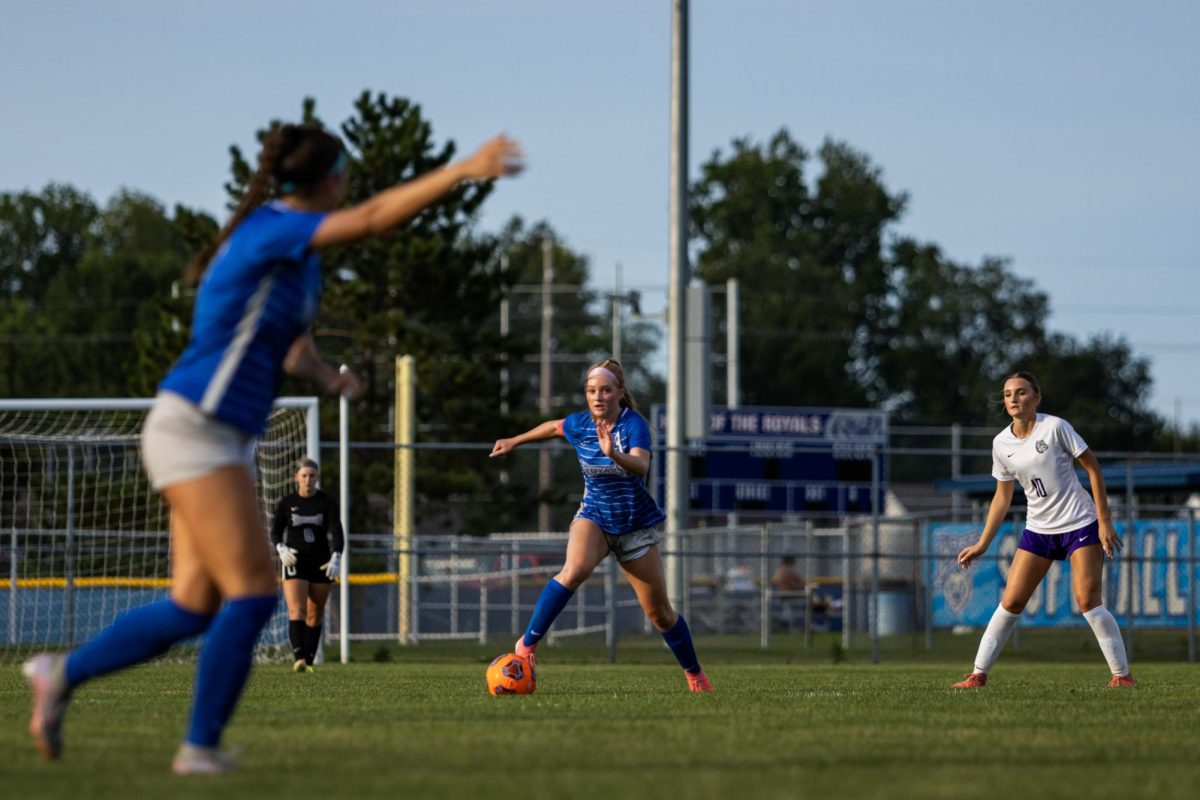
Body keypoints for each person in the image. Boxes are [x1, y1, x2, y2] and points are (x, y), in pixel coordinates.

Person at [22, 123, 523, 773]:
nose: (349, 185)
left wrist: (324, 375)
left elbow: (288, 343)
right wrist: (462, 169)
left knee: (192, 606)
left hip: (213, 434)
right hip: (197, 426)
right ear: (327, 180)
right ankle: (199, 747)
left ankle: (61, 675)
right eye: (344, 172)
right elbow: (372, 220)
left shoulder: (294, 256)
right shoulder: (272, 228)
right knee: (256, 593)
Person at [490, 358, 712, 692]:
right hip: (594, 516)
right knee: (574, 569)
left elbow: (639, 466)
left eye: (606, 390)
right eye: (592, 390)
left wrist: (613, 454)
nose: (598, 396)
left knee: (660, 614)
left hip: (634, 527)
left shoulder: (632, 425)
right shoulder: (581, 423)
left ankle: (695, 674)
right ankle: (527, 645)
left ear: (620, 393)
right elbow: (553, 427)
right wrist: (514, 440)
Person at [952, 371, 1133, 689]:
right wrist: (982, 543)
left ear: (1036, 397)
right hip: (1038, 530)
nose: (1013, 399)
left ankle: (1122, 677)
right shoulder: (1001, 444)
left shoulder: (1056, 428)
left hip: (1079, 523)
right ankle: (977, 675)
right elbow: (1001, 498)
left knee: (1087, 600)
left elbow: (1093, 468)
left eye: (1021, 393)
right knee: (1011, 602)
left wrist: (1104, 521)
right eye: (1008, 394)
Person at [270, 458, 344, 672]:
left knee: (315, 612)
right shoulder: (288, 502)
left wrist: (336, 555)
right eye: (304, 476)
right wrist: (280, 548)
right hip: (295, 560)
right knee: (297, 610)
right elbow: (275, 531)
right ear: (297, 478)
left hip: (321, 562)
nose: (308, 480)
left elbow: (336, 531)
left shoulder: (326, 501)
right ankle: (299, 658)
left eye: (312, 475)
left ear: (317, 477)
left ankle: (309, 661)